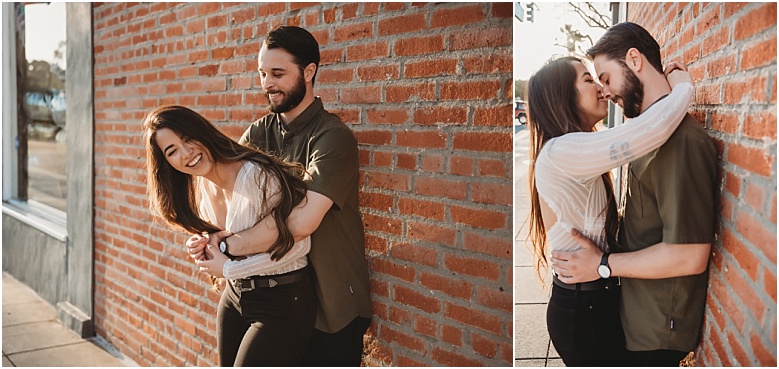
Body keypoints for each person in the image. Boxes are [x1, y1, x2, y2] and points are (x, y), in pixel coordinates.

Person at [185, 25, 372, 366]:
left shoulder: (333, 138)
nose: (267, 83)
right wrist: (208, 237)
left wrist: (226, 247)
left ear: (309, 71)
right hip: (271, 295)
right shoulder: (257, 133)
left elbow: (301, 223)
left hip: (330, 303)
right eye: (262, 73)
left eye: (277, 73)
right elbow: (231, 203)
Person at [550, 22, 718, 366]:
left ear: (634, 60)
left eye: (606, 78)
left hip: (656, 329)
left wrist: (601, 265)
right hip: (635, 314)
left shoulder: (681, 142)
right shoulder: (647, 133)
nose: (605, 92)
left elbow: (690, 255)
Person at [526, 54, 695, 366]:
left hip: (593, 300)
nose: (601, 89)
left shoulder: (574, 147)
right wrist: (682, 87)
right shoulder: (562, 151)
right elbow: (650, 131)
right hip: (583, 311)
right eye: (589, 80)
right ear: (561, 95)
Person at [143, 105, 317, 366]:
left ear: (200, 130)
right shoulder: (203, 185)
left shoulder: (254, 175)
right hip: (234, 299)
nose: (186, 153)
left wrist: (228, 269)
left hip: (282, 300)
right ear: (167, 163)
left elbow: (297, 247)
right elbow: (226, 243)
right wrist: (205, 244)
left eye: (187, 138)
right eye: (172, 151)